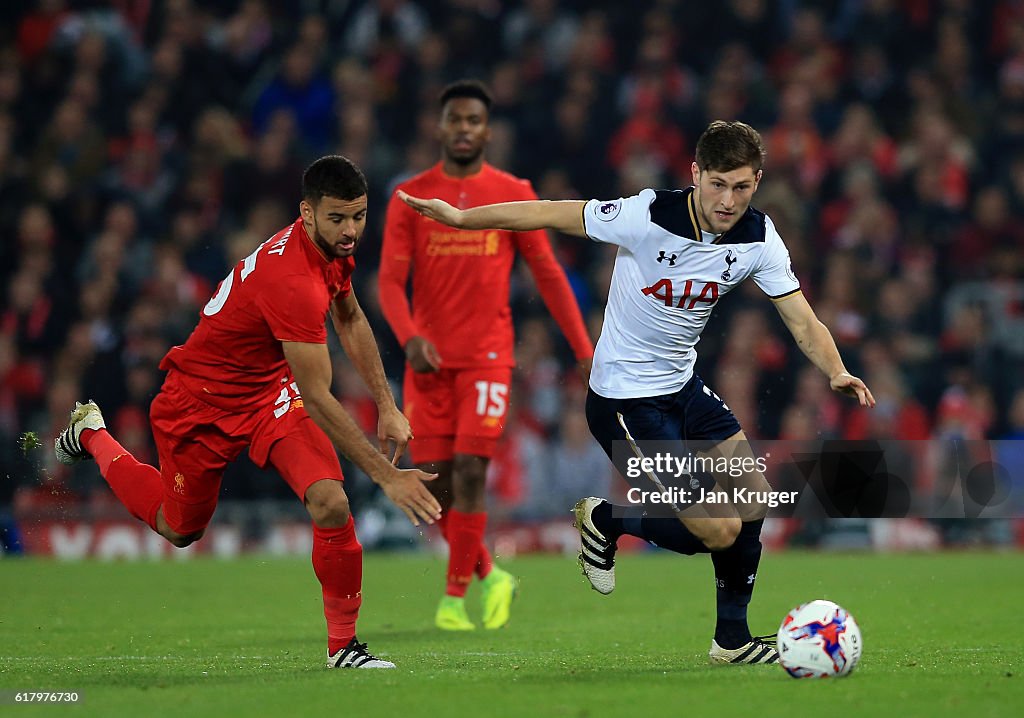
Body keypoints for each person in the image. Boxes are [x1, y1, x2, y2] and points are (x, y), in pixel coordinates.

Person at [398, 120, 875, 663]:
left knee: (754, 499)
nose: (728, 199)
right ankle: (607, 520)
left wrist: (835, 369)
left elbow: (803, 322)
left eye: (742, 186)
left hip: (684, 387)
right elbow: (550, 211)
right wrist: (463, 218)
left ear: (758, 181)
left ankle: (731, 642)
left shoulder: (759, 238)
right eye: (717, 183)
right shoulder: (648, 215)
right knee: (716, 530)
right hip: (625, 401)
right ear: (695, 174)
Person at [55, 156, 442, 669]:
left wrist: (388, 406)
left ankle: (343, 648)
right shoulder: (292, 283)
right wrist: (387, 475)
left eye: (359, 216)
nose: (351, 231)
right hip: (199, 404)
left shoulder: (330, 247)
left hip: (268, 396)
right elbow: (322, 398)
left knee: (330, 502)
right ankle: (93, 434)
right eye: (338, 219)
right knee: (179, 529)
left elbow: (348, 315)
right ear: (306, 213)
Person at [379, 80, 594, 630]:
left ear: (487, 130)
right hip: (427, 364)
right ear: (441, 126)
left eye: (474, 120)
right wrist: (408, 338)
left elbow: (547, 275)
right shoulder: (411, 196)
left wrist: (582, 349)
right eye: (456, 119)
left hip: (488, 358)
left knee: (472, 470)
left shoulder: (513, 191)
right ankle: (492, 576)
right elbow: (387, 284)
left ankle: (453, 602)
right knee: (435, 484)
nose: (465, 129)